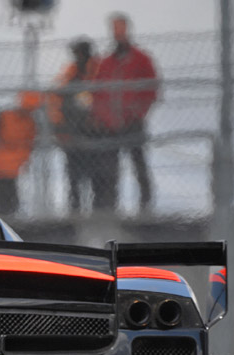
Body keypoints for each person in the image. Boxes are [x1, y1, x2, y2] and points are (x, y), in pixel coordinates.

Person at [90, 13, 159, 214]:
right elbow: (97, 91)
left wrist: (138, 112)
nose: (117, 33)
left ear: (127, 29)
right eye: (114, 29)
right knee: (110, 167)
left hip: (133, 121)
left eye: (120, 28)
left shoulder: (141, 59)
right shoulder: (106, 62)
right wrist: (102, 116)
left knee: (139, 163)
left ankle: (145, 204)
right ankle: (111, 206)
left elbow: (151, 88)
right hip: (111, 124)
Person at [47, 37, 101, 214]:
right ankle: (75, 210)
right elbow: (55, 98)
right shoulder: (70, 73)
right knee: (74, 176)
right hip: (72, 132)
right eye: (76, 53)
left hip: (95, 132)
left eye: (81, 53)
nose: (78, 56)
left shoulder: (98, 72)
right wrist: (59, 126)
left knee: (97, 175)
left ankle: (98, 211)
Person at [0, 91, 40, 216]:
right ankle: (7, 211)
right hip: (6, 157)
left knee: (7, 188)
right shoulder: (9, 117)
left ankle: (7, 212)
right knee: (5, 188)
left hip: (10, 158)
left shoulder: (22, 119)